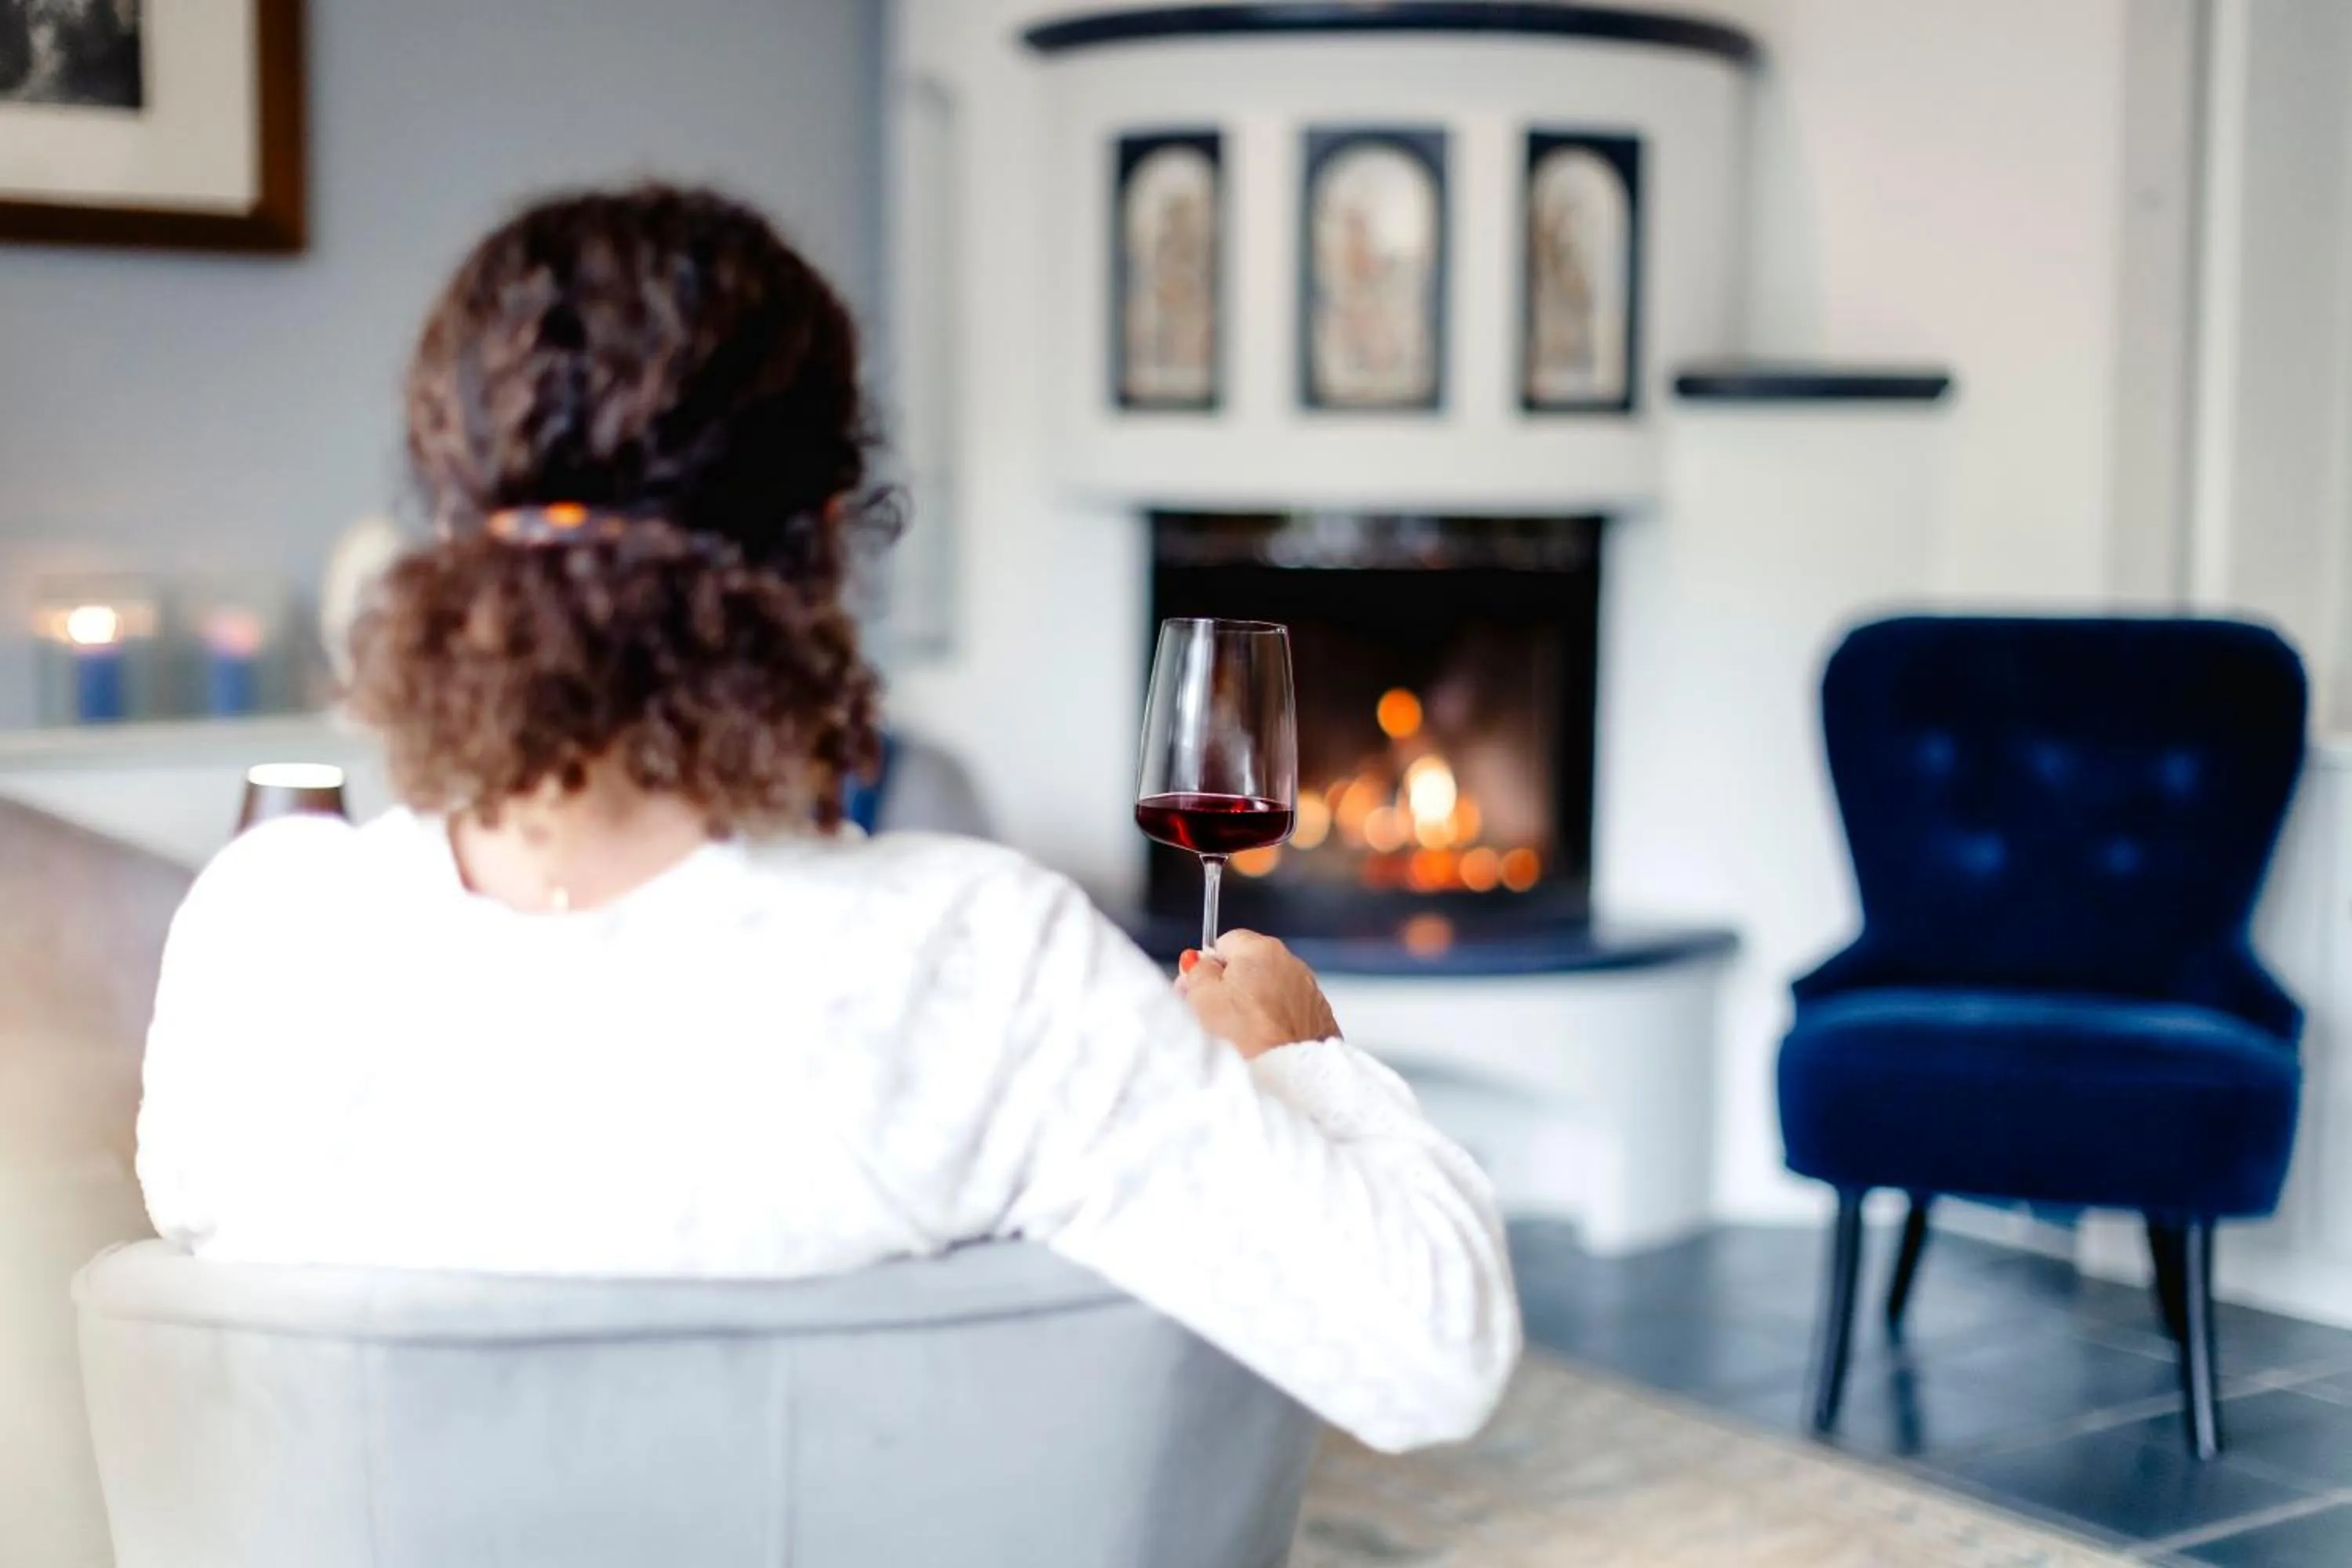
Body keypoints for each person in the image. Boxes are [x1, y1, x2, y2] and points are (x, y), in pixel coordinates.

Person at [136, 185, 1519, 1454]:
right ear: (823, 543)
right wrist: (1297, 1063)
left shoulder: (262, 931)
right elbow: (1440, 1358)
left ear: (450, 539)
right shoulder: (980, 964)